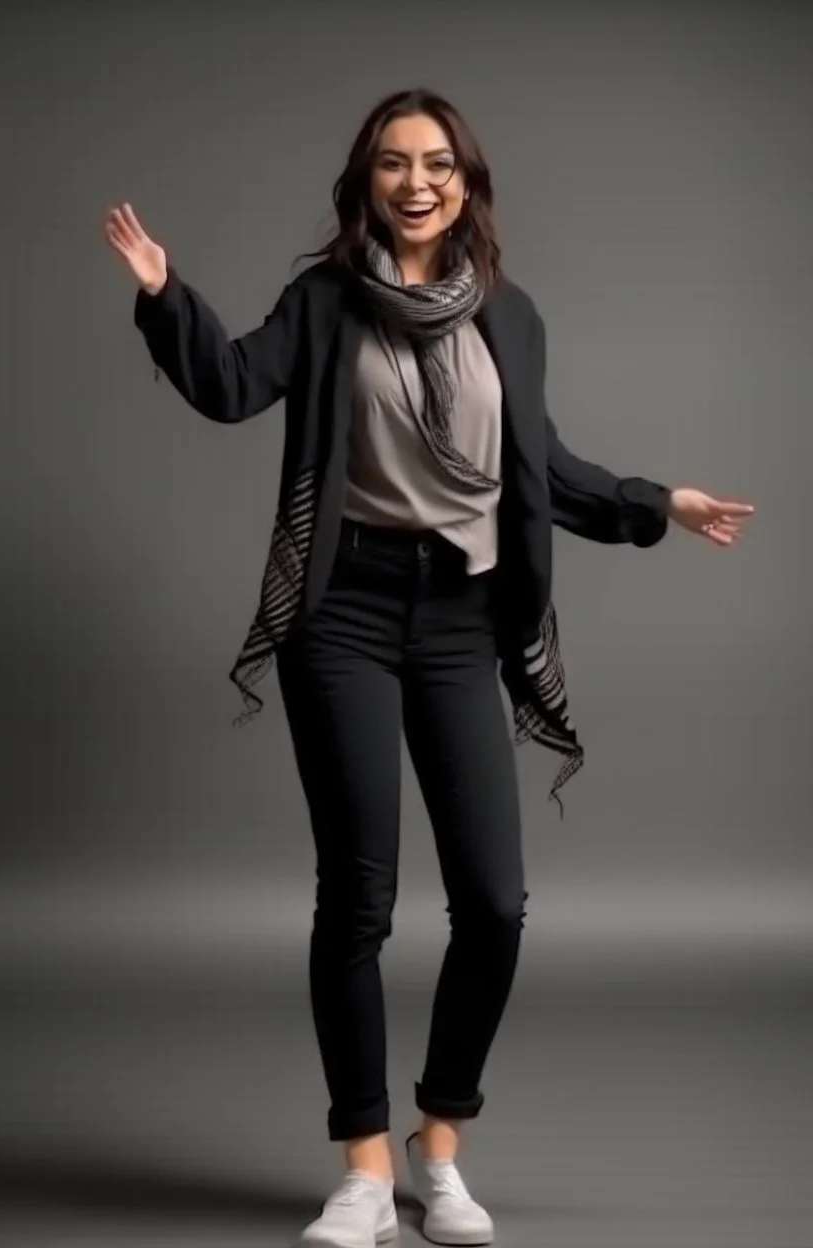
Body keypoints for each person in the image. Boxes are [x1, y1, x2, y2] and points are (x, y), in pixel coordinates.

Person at [104, 86, 755, 1248]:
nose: (416, 181)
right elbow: (232, 385)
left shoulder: (513, 318)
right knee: (355, 899)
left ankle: (437, 1146)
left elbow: (542, 466)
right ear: (366, 183)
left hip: (460, 619)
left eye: (437, 163)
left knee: (494, 907)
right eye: (395, 163)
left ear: (466, 184)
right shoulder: (323, 304)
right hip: (342, 611)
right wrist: (165, 294)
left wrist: (661, 501)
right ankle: (360, 1168)